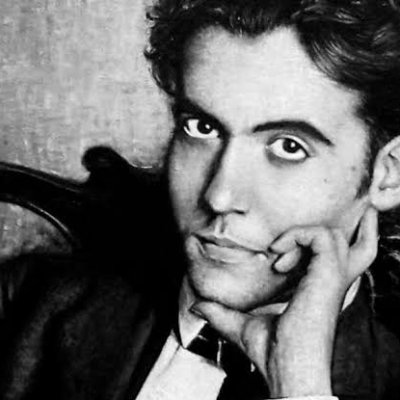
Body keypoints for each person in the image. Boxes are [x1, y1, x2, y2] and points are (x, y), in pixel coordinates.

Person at [1, 0, 400, 399]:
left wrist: (302, 387)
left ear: (389, 175)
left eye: (289, 147)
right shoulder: (30, 305)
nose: (219, 196)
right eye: (202, 127)